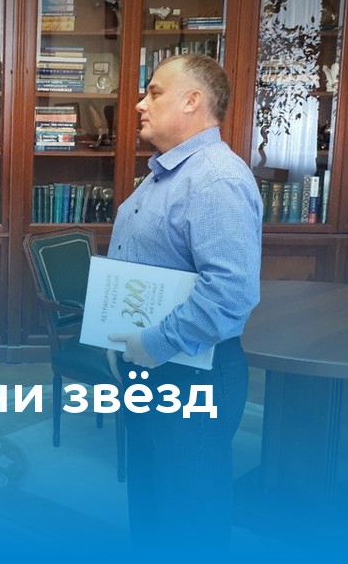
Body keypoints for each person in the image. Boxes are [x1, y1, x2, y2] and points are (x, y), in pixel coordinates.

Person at [104, 54, 262, 549]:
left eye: (153, 92)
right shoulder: (166, 174)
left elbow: (230, 292)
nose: (139, 103)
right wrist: (120, 342)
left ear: (193, 101)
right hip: (154, 365)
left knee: (190, 518)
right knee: (153, 504)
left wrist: (154, 342)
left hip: (191, 371)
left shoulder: (215, 178)